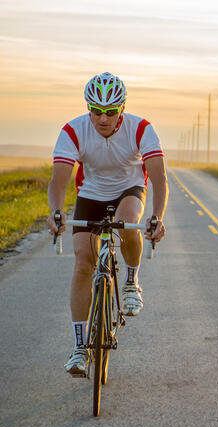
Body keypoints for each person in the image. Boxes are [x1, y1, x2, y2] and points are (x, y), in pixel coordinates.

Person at [46, 72, 168, 377]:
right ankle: (79, 347)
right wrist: (56, 212)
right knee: (83, 263)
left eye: (111, 112)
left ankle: (130, 281)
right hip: (90, 193)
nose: (103, 118)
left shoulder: (141, 129)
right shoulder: (73, 131)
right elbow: (59, 179)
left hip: (129, 189)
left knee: (127, 224)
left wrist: (157, 218)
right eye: (96, 111)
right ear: (88, 108)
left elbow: (160, 178)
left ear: (122, 109)